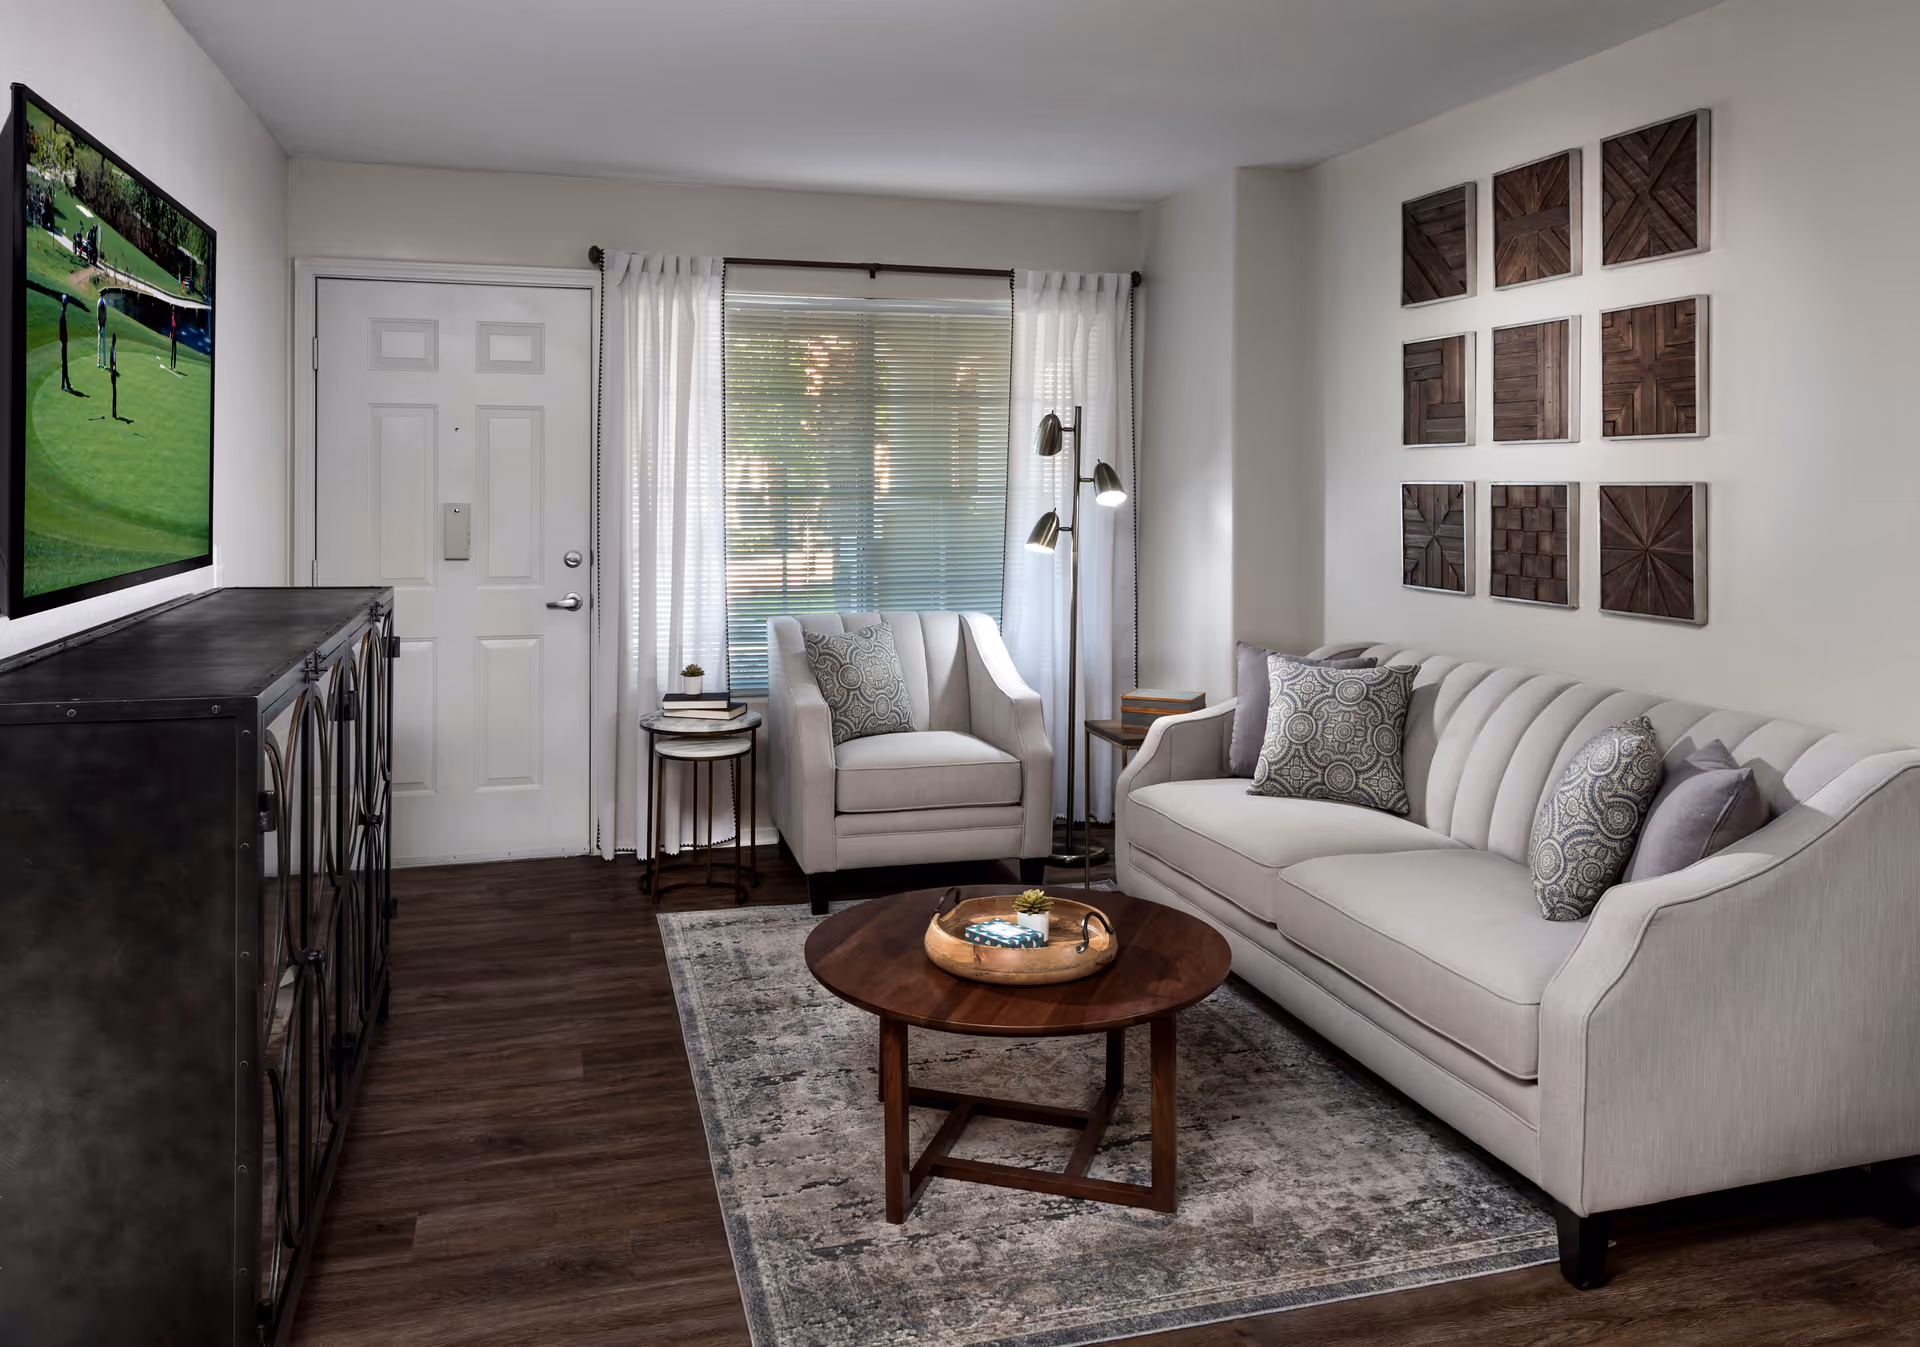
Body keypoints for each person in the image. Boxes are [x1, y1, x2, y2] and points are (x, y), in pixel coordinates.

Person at [58, 294, 73, 393]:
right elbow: (60, 332)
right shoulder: (62, 316)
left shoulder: (63, 314)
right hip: (63, 343)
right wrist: (64, 342)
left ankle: (67, 384)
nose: (66, 305)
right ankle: (63, 385)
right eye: (65, 303)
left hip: (64, 342)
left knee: (65, 364)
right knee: (64, 364)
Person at [109, 332, 120, 422]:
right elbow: (114, 363)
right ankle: (114, 413)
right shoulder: (114, 351)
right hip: (113, 374)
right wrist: (114, 372)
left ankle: (113, 412)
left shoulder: (111, 348)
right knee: (115, 394)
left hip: (111, 373)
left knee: (113, 393)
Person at [96, 292, 107, 368]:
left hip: (104, 323)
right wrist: (100, 328)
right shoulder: (99, 305)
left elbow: (105, 316)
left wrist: (103, 327)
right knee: (99, 342)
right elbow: (98, 317)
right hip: (100, 323)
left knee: (104, 343)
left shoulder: (104, 305)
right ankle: (98, 361)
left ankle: (105, 362)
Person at [169, 306, 178, 371]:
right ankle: (171, 366)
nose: (173, 312)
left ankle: (174, 367)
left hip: (175, 336)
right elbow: (171, 327)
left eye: (174, 311)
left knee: (175, 352)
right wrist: (170, 334)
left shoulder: (176, 319)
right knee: (172, 351)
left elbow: (176, 327)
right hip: (172, 336)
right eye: (172, 311)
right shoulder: (172, 318)